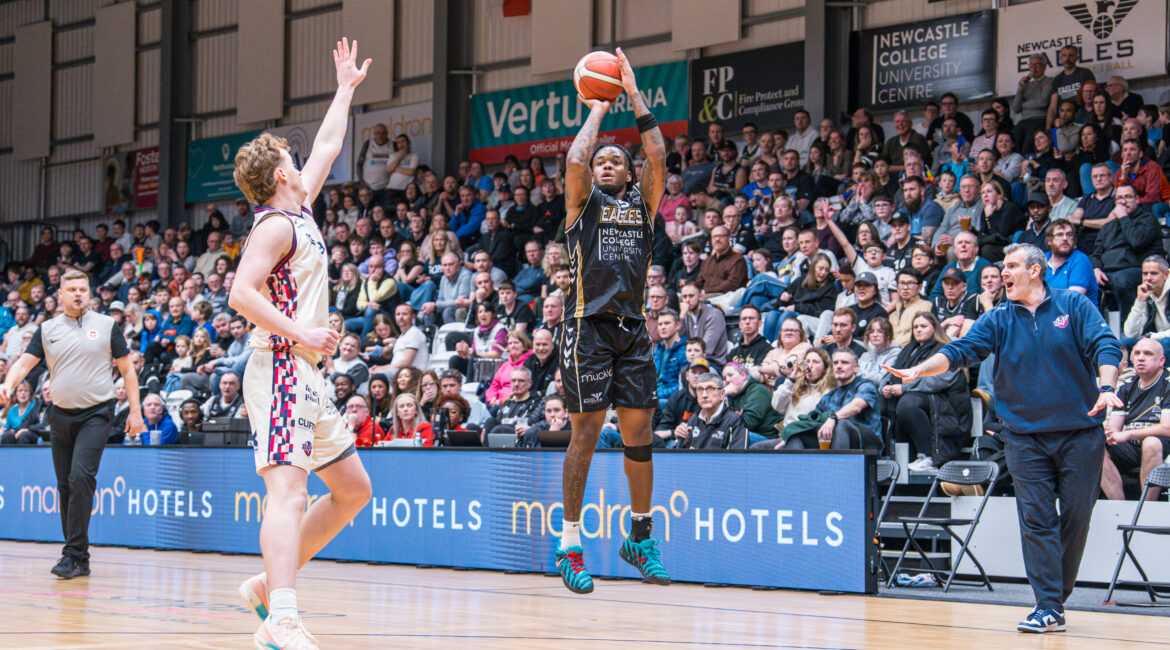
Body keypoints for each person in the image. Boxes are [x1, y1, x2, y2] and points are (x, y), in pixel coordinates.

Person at [885, 242, 1122, 634]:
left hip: (1080, 433)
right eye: (1002, 267)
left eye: (1011, 266)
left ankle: (1055, 597)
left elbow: (1105, 345)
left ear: (1036, 270)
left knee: (1077, 515)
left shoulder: (1073, 305)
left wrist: (1108, 385)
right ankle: (1048, 605)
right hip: (1024, 437)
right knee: (1036, 519)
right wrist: (918, 370)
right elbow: (961, 350)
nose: (1003, 273)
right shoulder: (998, 317)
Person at [228, 38, 374, 649]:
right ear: (280, 176)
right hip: (281, 364)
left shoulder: (302, 209)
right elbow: (240, 293)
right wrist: (301, 331)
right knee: (288, 494)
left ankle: (268, 585)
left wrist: (344, 89)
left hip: (307, 371)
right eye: (291, 157)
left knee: (353, 490)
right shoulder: (272, 226)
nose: (300, 159)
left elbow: (329, 145)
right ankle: (281, 617)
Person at [554, 47, 670, 594]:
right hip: (587, 327)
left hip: (632, 328)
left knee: (639, 433)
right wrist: (599, 104)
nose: (605, 164)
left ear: (628, 172)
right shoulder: (584, 205)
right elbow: (575, 162)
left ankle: (640, 538)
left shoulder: (643, 206)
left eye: (616, 161)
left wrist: (633, 92)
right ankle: (570, 545)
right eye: (602, 161)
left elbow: (658, 153)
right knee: (585, 433)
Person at [0, 270, 145, 577]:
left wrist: (135, 412)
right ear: (61, 294)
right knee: (65, 485)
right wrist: (8, 385)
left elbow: (127, 371)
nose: (79, 294)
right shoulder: (47, 329)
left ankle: (72, 554)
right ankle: (79, 556)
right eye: (73, 289)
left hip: (96, 413)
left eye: (83, 289)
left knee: (80, 478)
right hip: (60, 414)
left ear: (88, 292)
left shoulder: (106, 325)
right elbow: (24, 363)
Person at [880, 313, 971, 471]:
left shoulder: (946, 350)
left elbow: (937, 381)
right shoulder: (908, 350)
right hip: (922, 399)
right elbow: (892, 372)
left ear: (935, 328)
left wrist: (904, 388)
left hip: (947, 406)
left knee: (908, 403)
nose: (918, 330)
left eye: (923, 326)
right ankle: (895, 458)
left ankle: (929, 456)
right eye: (915, 327)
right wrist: (886, 386)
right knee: (884, 402)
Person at [1100, 337, 1170, 501]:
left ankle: (1146, 508)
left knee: (1151, 443)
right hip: (1132, 447)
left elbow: (1167, 428)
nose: (1141, 358)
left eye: (1148, 354)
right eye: (1137, 353)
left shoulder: (1167, 383)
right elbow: (1114, 429)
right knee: (1095, 444)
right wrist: (1108, 434)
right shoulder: (1127, 387)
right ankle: (1119, 507)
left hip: (1162, 445)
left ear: (1161, 361)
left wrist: (1128, 434)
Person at [1091, 183, 1162, 320]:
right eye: (1119, 198)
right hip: (1107, 273)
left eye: (1128, 197)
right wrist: (1096, 269)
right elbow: (1096, 253)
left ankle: (1128, 326)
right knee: (1085, 279)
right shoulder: (1108, 226)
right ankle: (1096, 328)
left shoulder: (1148, 219)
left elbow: (1137, 242)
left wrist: (1123, 217)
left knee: (1122, 279)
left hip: (1138, 270)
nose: (1123, 202)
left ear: (1137, 199)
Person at [678, 372, 748, 449]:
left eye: (710, 389)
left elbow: (737, 456)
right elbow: (680, 454)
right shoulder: (694, 418)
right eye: (700, 389)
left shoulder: (735, 422)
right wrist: (680, 437)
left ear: (722, 394)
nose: (704, 395)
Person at [1044, 219, 1098, 308]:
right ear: (1049, 240)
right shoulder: (1042, 259)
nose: (1065, 238)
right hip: (1047, 312)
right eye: (1060, 234)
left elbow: (1073, 298)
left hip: (1076, 314)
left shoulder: (1080, 259)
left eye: (1069, 235)